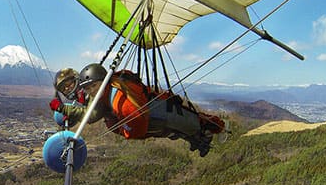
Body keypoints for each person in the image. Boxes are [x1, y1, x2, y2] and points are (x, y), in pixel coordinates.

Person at [49, 63, 228, 157]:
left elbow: (92, 115)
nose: (68, 89)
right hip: (155, 118)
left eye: (69, 84)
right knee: (180, 130)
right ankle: (201, 138)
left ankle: (219, 127)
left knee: (191, 122)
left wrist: (63, 108)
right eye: (64, 89)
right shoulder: (96, 92)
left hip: (154, 116)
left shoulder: (107, 95)